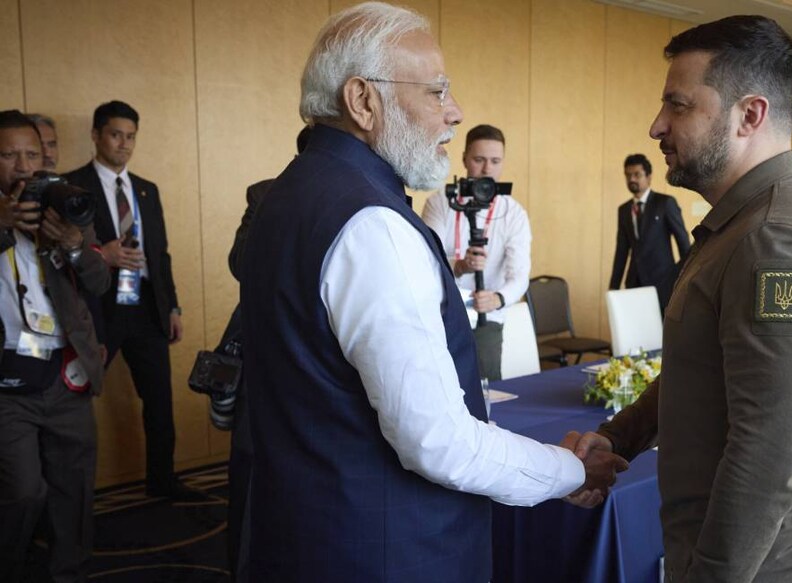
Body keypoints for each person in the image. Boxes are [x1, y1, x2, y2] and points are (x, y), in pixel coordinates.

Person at [239, 4, 627, 582]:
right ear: (363, 100)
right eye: (437, 90)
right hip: (386, 554)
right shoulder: (374, 226)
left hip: (295, 534)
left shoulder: (285, 195)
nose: (454, 112)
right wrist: (570, 471)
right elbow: (437, 442)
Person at [570, 16, 792, 582]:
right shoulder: (741, 226)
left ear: (749, 115)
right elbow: (701, 373)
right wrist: (617, 435)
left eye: (678, 106)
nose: (657, 126)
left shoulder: (774, 244)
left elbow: (767, 461)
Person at [64, 101, 202, 501]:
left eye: (130, 136)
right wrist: (98, 254)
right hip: (97, 307)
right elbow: (59, 255)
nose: (123, 144)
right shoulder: (71, 187)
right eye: (115, 134)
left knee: (159, 402)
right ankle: (69, 495)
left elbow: (160, 255)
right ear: (96, 135)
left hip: (146, 308)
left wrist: (172, 307)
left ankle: (162, 483)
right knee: (73, 401)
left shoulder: (147, 189)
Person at [0, 109, 109, 583]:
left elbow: (101, 281)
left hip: (66, 373)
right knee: (24, 491)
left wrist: (73, 245)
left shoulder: (64, 204)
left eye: (32, 153)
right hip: (8, 383)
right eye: (8, 155)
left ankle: (70, 570)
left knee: (74, 486)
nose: (23, 165)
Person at [220, 126, 310, 582]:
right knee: (253, 477)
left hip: (329, 375)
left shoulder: (378, 199)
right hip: (269, 362)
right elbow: (241, 266)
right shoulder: (265, 195)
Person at [421, 124, 530, 380]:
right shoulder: (440, 202)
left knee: (487, 391)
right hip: (443, 313)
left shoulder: (514, 213)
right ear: (464, 159)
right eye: (479, 159)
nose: (486, 169)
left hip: (487, 317)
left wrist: (498, 298)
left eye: (495, 161)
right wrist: (459, 265)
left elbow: (520, 275)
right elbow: (425, 261)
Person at [609, 153, 690, 313]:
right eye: (628, 175)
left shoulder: (665, 203)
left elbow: (683, 243)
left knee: (660, 334)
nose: (631, 179)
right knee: (635, 333)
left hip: (663, 284)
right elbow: (622, 251)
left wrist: (682, 279)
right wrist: (613, 288)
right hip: (634, 284)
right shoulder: (624, 210)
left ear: (649, 176)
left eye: (637, 174)